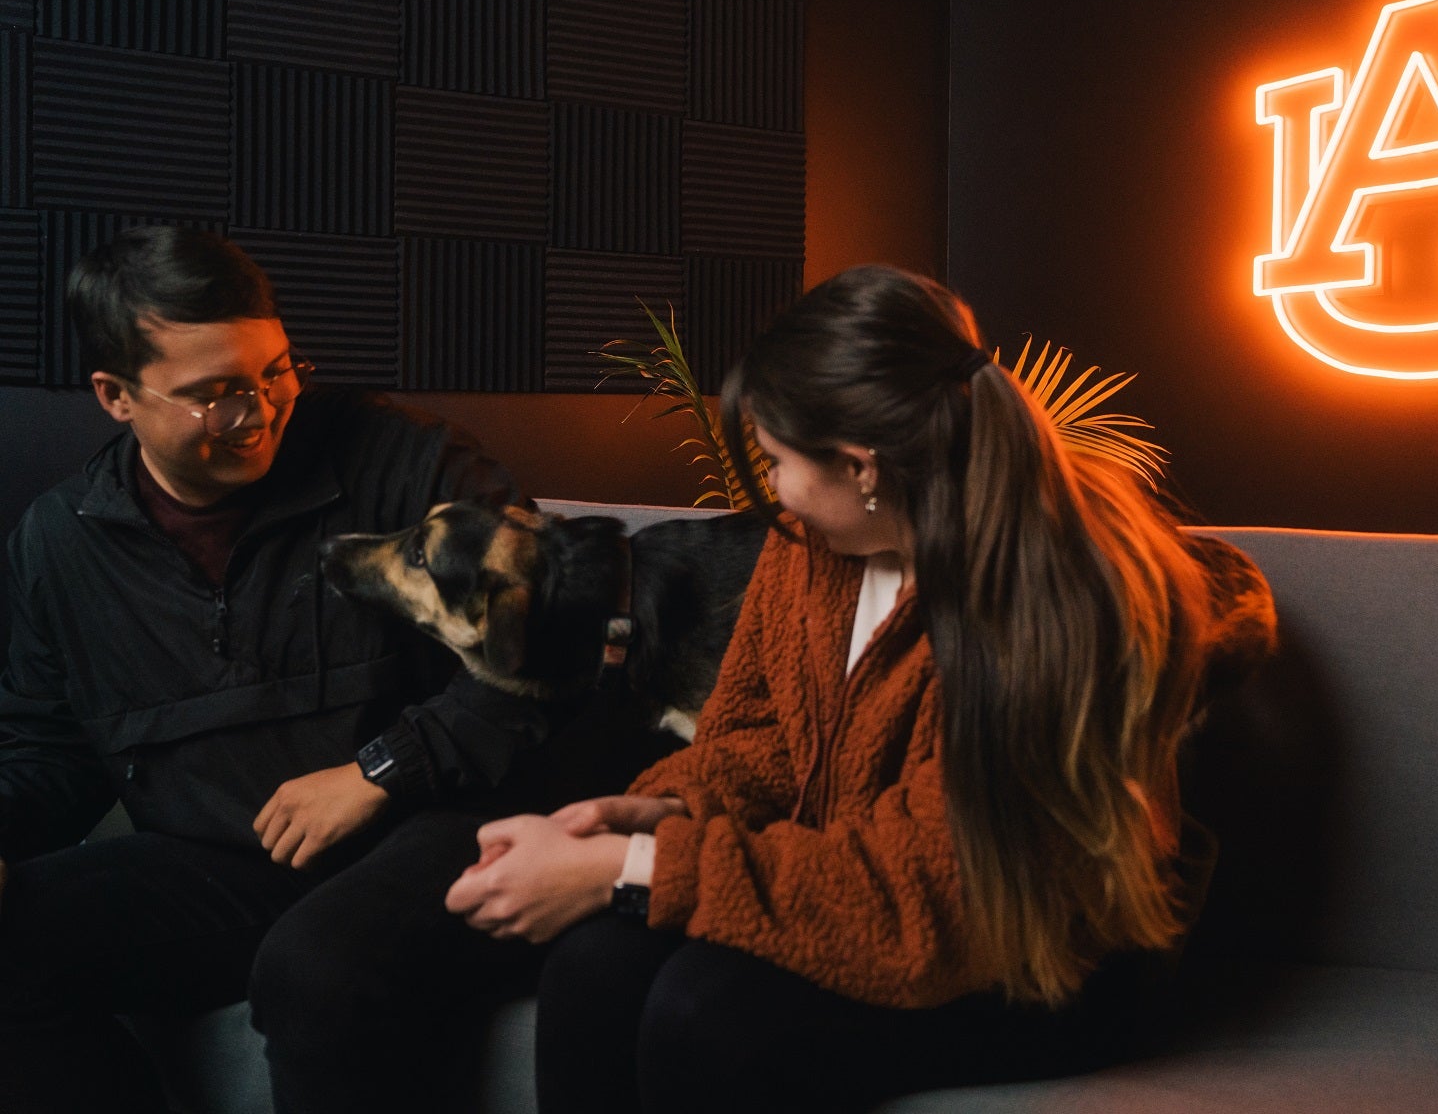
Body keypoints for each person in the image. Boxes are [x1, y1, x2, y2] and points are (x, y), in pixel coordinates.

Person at [445, 263, 1278, 1111]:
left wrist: (631, 869)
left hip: (1032, 950)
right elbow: (759, 734)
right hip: (873, 883)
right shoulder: (811, 540)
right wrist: (659, 814)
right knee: (593, 968)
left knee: (707, 1016)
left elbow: (930, 902)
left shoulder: (1054, 604)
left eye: (775, 460)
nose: (769, 486)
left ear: (860, 465)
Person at [0, 226, 652, 1114]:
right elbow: (48, 753)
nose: (261, 411)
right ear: (116, 396)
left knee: (317, 971)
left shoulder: (406, 457)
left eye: (274, 371)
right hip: (228, 861)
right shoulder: (57, 542)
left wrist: (383, 770)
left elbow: (551, 640)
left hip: (433, 822)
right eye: (215, 395)